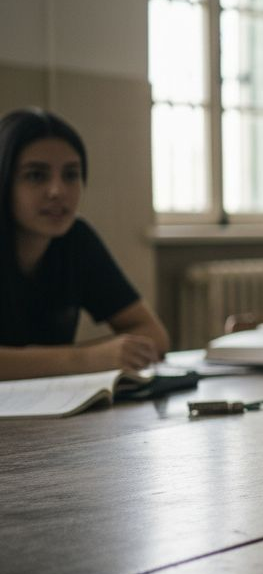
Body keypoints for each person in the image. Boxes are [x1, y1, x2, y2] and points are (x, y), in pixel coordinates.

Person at [0, 107, 169, 380]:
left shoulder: (76, 239)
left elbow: (154, 335)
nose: (57, 191)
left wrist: (99, 356)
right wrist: (83, 359)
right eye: (36, 175)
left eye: (70, 175)